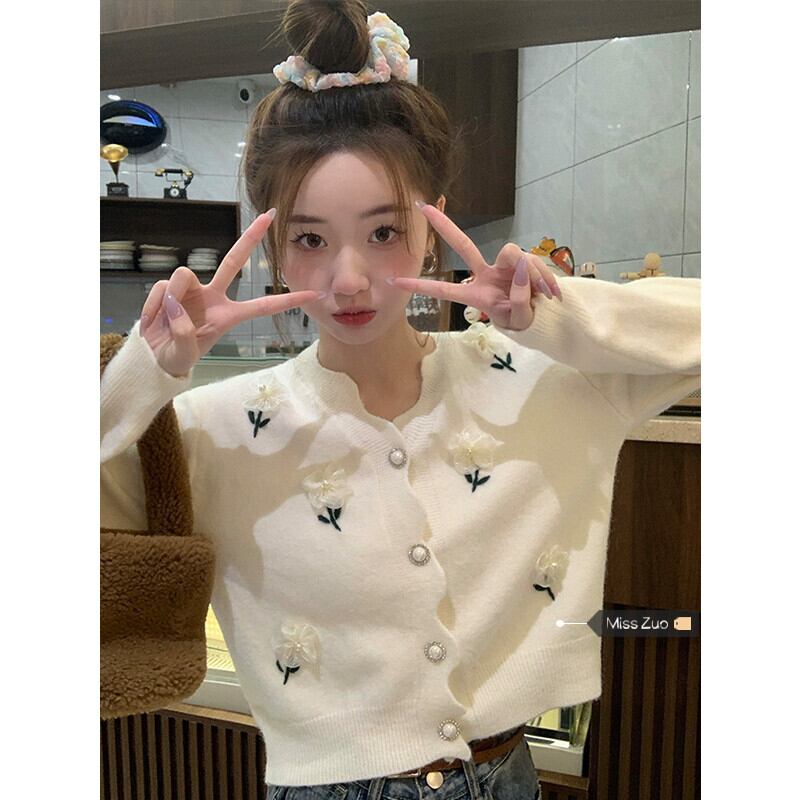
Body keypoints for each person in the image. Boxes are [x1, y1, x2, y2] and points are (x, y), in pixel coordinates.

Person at [101, 2, 701, 798]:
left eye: (383, 232)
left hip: (506, 776)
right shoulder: (214, 428)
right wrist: (144, 372)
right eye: (310, 239)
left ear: (432, 221)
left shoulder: (543, 380)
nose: (348, 279)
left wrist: (560, 317)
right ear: (273, 245)